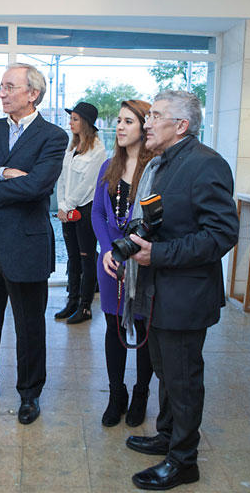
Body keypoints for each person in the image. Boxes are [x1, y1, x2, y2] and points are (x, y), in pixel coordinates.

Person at [120, 91, 239, 490]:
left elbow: (222, 234)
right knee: (166, 373)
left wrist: (160, 254)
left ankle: (184, 460)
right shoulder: (166, 163)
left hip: (185, 296)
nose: (147, 123)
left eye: (155, 116)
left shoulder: (206, 164)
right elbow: (163, 216)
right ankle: (168, 437)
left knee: (184, 379)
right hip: (159, 292)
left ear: (182, 125)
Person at [0, 63, 68, 425]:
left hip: (26, 246)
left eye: (9, 87)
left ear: (32, 93)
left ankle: (29, 394)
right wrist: (4, 173)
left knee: (29, 326)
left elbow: (38, 187)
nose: (1, 93)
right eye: (0, 87)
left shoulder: (53, 136)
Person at [91, 100, 155, 427]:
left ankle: (141, 392)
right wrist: (107, 249)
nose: (119, 126)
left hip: (143, 262)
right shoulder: (108, 167)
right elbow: (98, 213)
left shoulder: (156, 169)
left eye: (128, 121)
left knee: (143, 329)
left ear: (145, 127)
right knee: (114, 328)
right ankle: (117, 394)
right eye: (118, 120)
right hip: (111, 264)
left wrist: (136, 252)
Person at [54, 101, 107, 324]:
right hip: (67, 209)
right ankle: (72, 301)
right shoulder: (72, 146)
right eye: (71, 118)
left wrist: (69, 205)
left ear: (85, 122)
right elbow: (63, 178)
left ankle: (85, 307)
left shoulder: (98, 149)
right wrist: (61, 205)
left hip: (84, 209)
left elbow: (88, 184)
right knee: (72, 258)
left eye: (75, 119)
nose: (71, 123)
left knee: (86, 259)